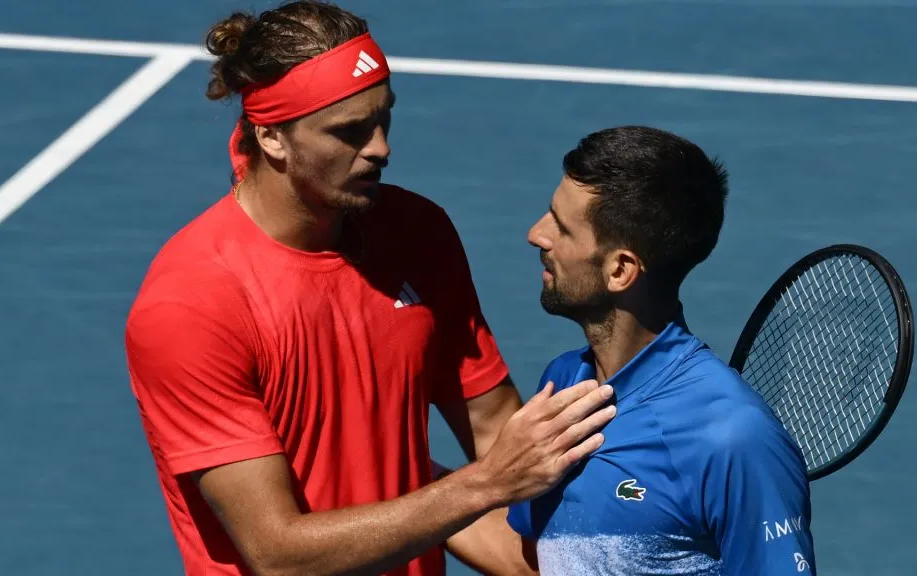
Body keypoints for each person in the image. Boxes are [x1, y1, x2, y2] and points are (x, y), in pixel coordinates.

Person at [122, 2, 616, 575]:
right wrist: (483, 486)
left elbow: (494, 430)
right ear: (272, 138)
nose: (380, 147)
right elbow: (278, 555)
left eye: (383, 118)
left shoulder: (416, 232)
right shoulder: (191, 305)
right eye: (349, 131)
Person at [507, 126, 816, 575]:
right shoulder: (563, 383)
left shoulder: (732, 439)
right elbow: (534, 562)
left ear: (620, 270)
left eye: (562, 226)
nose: (537, 234)